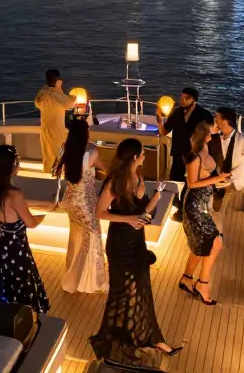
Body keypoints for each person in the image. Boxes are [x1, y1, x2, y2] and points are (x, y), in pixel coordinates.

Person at [90, 138, 182, 365]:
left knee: (140, 288)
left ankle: (149, 337)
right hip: (120, 242)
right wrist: (129, 218)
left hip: (136, 240)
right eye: (142, 153)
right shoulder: (115, 181)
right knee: (123, 291)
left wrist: (157, 197)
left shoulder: (139, 177)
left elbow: (143, 212)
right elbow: (100, 212)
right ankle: (123, 339)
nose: (144, 156)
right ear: (133, 157)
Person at [0, 144, 50, 313]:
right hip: (15, 245)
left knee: (6, 280)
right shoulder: (14, 194)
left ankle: (3, 313)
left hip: (0, 241)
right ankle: (22, 318)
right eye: (17, 161)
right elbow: (31, 223)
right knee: (22, 282)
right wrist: (44, 215)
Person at [54, 117, 108, 294]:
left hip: (70, 200)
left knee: (77, 237)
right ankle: (91, 281)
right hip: (85, 202)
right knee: (93, 236)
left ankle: (75, 276)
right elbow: (105, 169)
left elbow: (55, 169)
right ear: (86, 134)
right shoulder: (91, 152)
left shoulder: (65, 147)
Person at [180, 121, 231, 305]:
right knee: (215, 242)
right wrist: (217, 178)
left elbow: (207, 179)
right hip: (194, 205)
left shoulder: (206, 151)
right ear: (205, 135)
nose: (214, 131)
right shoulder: (195, 157)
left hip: (204, 203)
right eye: (212, 130)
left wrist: (220, 181)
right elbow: (192, 183)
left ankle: (187, 279)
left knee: (200, 244)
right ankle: (203, 284)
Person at [155, 87, 214, 220]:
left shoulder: (204, 114)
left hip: (194, 155)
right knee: (176, 181)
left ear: (194, 100)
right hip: (178, 153)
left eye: (186, 98)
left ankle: (186, 211)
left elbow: (210, 134)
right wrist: (160, 121)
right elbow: (164, 132)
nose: (182, 100)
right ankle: (178, 207)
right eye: (181, 97)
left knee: (190, 184)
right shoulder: (177, 113)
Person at [210, 107, 244, 213]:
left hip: (234, 181)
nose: (215, 121)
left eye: (217, 118)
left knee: (222, 208)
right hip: (218, 180)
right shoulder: (217, 139)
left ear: (225, 121)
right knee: (216, 208)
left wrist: (231, 174)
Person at [34, 69, 73, 174]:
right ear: (57, 80)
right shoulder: (56, 95)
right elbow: (70, 104)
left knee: (47, 155)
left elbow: (37, 103)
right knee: (59, 153)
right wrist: (59, 89)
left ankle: (47, 174)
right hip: (56, 129)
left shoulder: (42, 93)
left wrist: (55, 89)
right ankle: (58, 175)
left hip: (45, 128)